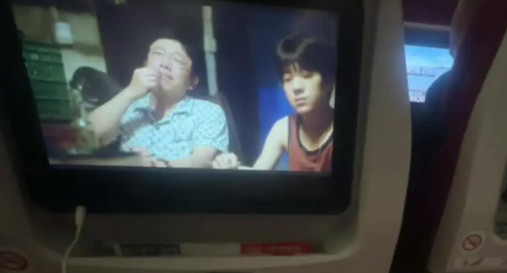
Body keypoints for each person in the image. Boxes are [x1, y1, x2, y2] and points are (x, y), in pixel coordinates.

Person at [88, 36, 229, 168]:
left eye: (178, 60)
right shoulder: (129, 106)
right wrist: (129, 92)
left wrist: (156, 165)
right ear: (144, 65)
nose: (165, 64)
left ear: (192, 82)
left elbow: (202, 162)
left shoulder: (207, 111)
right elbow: (88, 137)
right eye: (158, 54)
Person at [213, 36, 335, 173]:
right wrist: (233, 167)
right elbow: (259, 174)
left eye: (307, 76)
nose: (296, 87)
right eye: (288, 79)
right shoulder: (284, 128)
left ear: (328, 82)